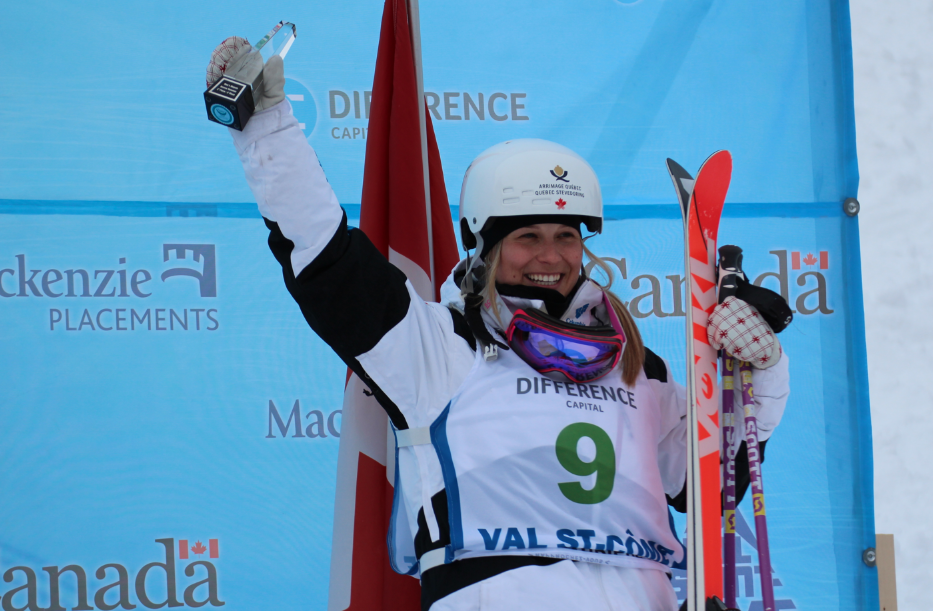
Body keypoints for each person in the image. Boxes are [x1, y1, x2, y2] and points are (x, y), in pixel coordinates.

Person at [208, 41, 790, 611]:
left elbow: (715, 480)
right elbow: (327, 256)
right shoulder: (436, 347)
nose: (551, 256)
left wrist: (761, 369)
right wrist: (266, 128)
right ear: (485, 246)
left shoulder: (638, 367)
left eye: (566, 237)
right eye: (527, 236)